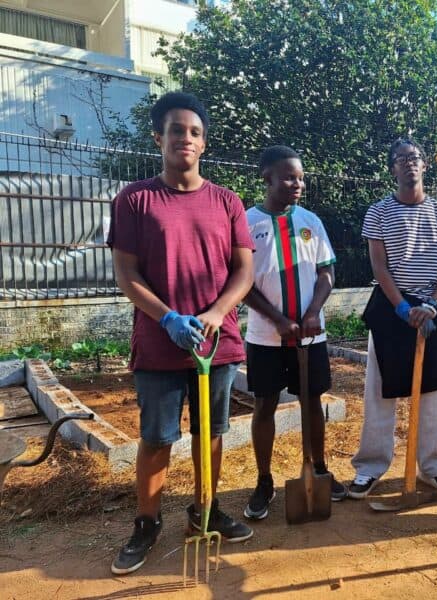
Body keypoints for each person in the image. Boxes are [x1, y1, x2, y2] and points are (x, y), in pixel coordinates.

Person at [108, 92, 255, 575]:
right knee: (156, 437)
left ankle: (204, 510)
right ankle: (147, 523)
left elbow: (244, 273)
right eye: (175, 130)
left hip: (217, 342)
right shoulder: (135, 199)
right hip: (158, 342)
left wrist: (214, 314)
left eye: (193, 132)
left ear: (204, 143)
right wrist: (168, 317)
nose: (184, 138)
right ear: (159, 137)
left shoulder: (227, 201)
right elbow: (127, 274)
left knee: (210, 434)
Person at [348, 138, 437, 499]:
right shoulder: (378, 212)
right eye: (400, 159)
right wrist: (400, 306)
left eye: (414, 157)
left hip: (430, 309)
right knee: (380, 392)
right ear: (392, 169)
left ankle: (435, 466)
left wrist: (431, 304)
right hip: (390, 308)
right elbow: (379, 267)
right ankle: (370, 467)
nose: (409, 163)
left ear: (425, 165)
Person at [242, 145, 346, 520]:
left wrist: (313, 311)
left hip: (310, 335)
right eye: (288, 177)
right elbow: (243, 283)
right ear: (266, 177)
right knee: (264, 404)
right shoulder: (246, 221)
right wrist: (277, 320)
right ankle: (264, 480)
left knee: (312, 401)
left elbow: (326, 272)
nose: (297, 184)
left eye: (300, 177)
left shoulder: (310, 221)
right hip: (265, 338)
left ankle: (318, 467)